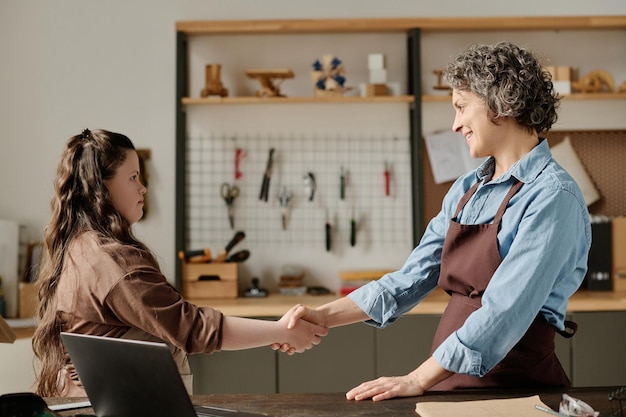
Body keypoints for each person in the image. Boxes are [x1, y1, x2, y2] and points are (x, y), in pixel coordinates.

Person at [276, 42, 591, 401]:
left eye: (461, 107)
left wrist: (418, 379)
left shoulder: (551, 196)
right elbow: (409, 279)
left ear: (499, 102)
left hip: (517, 390)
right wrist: (322, 316)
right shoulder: (468, 188)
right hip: (449, 381)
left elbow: (506, 311)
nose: (456, 124)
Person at [32, 128, 327, 397]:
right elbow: (193, 328)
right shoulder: (111, 262)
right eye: (133, 177)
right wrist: (281, 331)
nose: (143, 188)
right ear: (101, 187)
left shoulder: (80, 247)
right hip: (120, 403)